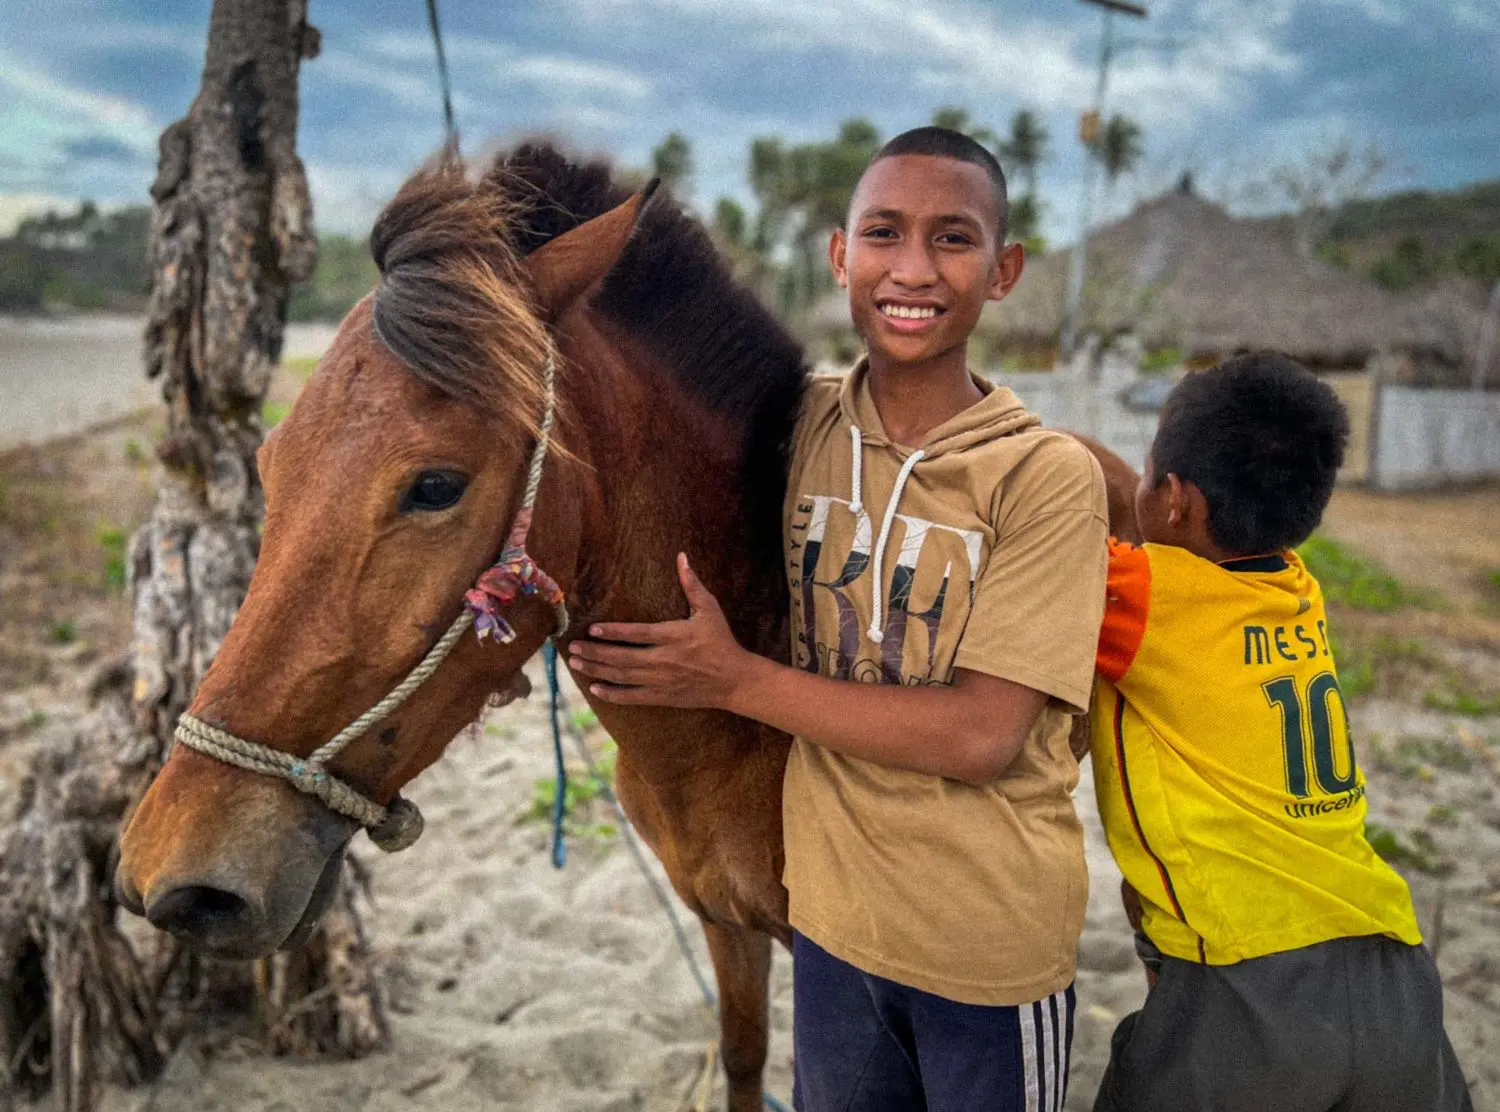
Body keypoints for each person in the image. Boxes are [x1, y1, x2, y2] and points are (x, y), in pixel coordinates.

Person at [567, 126, 1109, 1110]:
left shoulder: (1041, 475)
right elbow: (638, 458)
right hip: (829, 933)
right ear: (840, 255)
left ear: (1004, 269)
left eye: (953, 238)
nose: (913, 268)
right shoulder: (800, 423)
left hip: (981, 947)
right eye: (884, 233)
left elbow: (984, 734)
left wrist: (735, 678)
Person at [1089, 352, 1473, 1112]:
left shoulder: (1142, 592)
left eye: (1144, 472)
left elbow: (1026, 544)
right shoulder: (1297, 586)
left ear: (1175, 501)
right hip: (1396, 975)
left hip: (1247, 990)